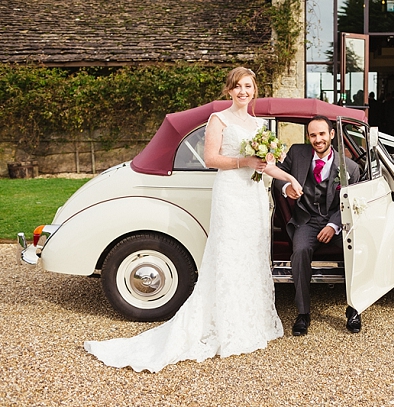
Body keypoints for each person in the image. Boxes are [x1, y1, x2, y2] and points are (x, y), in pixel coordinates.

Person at [84, 67, 303, 372]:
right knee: (228, 256)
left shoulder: (258, 124)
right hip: (230, 194)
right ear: (229, 90)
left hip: (253, 196)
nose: (243, 91)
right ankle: (225, 327)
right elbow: (211, 159)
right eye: (238, 86)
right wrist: (244, 161)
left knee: (251, 257)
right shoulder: (219, 119)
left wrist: (288, 178)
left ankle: (251, 324)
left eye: (248, 86)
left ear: (255, 90)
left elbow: (264, 165)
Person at [273, 115, 362, 335]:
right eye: (313, 135)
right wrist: (286, 189)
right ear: (308, 137)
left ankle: (354, 308)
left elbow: (351, 203)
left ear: (332, 135)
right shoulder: (297, 153)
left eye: (322, 134)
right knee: (300, 250)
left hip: (336, 222)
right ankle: (303, 313)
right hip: (306, 220)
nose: (318, 139)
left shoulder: (349, 168)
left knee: (357, 250)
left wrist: (333, 225)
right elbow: (277, 177)